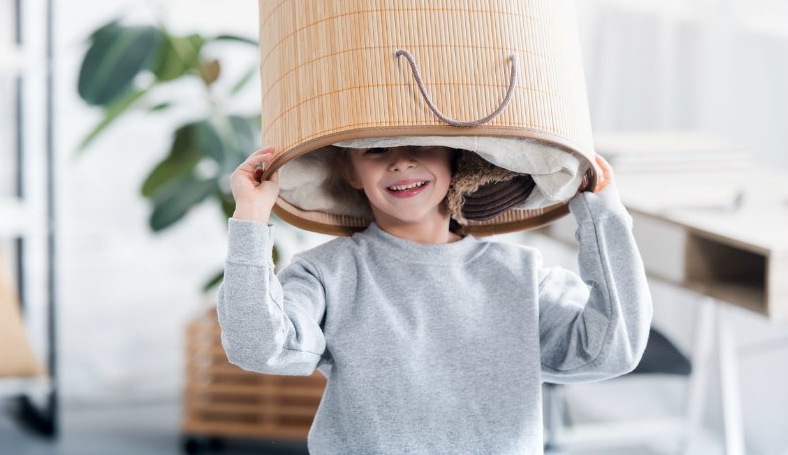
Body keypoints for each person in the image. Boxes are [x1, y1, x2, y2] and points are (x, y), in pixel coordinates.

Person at [218, 143, 653, 454]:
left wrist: (603, 218)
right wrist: (251, 218)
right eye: (375, 150)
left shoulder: (522, 276)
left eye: (420, 145)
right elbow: (260, 347)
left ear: (456, 158)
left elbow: (613, 349)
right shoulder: (327, 273)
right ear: (349, 171)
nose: (400, 162)